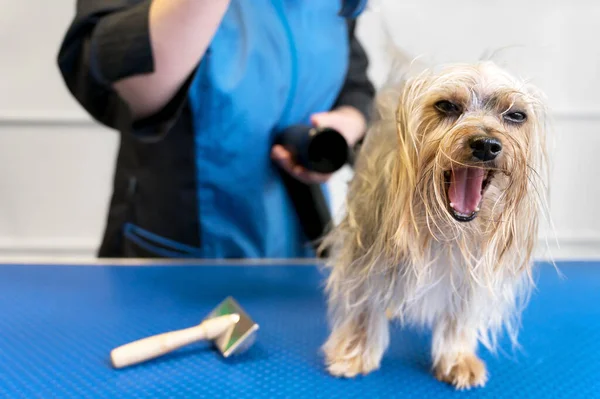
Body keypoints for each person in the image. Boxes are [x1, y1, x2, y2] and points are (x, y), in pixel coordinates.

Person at [56, 0, 375, 259]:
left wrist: (347, 124)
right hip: (174, 254)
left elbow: (355, 84)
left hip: (296, 244)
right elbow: (112, 74)